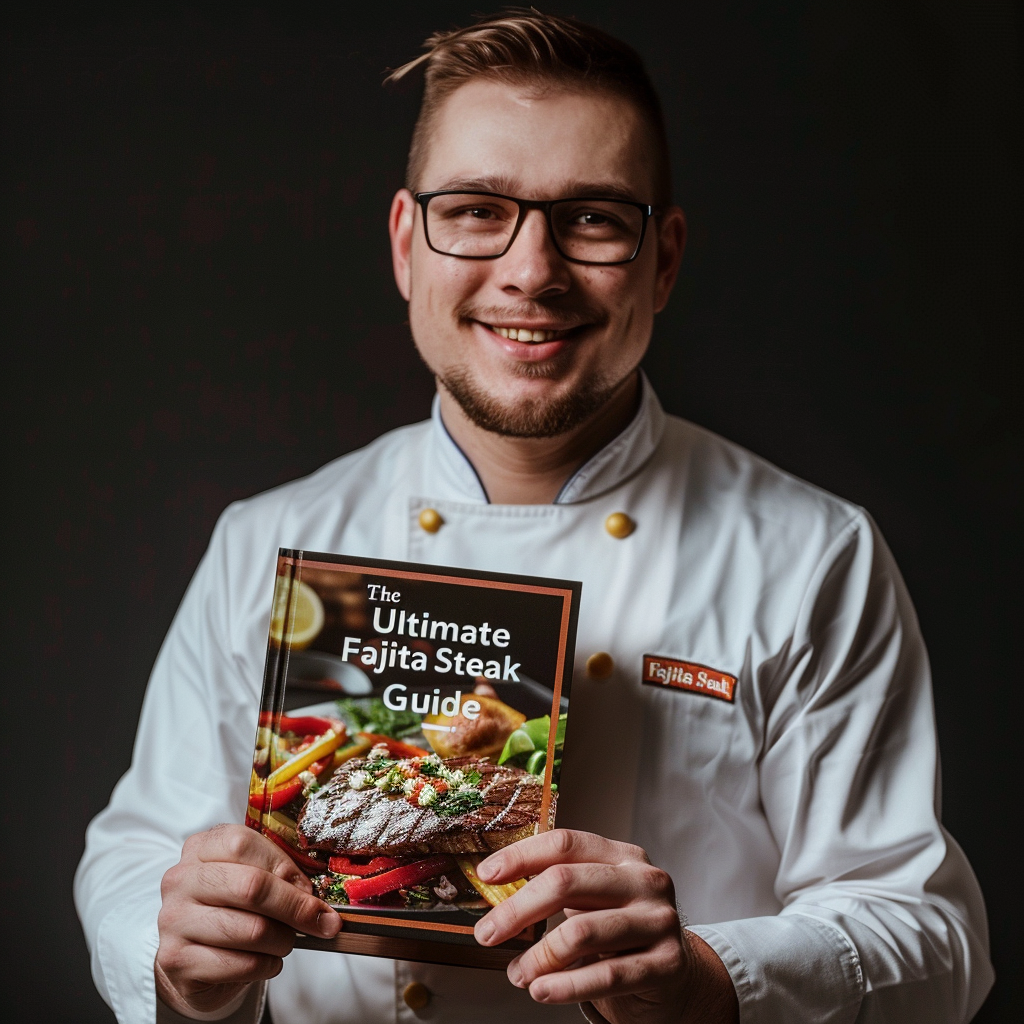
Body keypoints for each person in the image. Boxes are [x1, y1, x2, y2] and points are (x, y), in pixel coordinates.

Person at [74, 10, 994, 1024]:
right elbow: (135, 857)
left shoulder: (815, 555)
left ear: (664, 258)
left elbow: (932, 938)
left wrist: (703, 976)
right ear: (405, 245)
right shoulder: (265, 541)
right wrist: (177, 960)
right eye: (475, 210)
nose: (530, 271)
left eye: (593, 217)